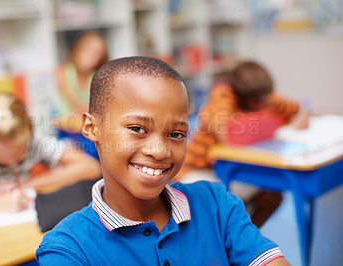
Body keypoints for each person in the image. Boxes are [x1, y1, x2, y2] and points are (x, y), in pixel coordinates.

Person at [36, 56, 290, 265]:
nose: (160, 151)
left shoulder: (216, 204)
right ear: (92, 128)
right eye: (137, 129)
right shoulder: (68, 249)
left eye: (176, 134)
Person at [175, 60, 309, 227]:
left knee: (273, 195)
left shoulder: (263, 96)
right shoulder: (223, 97)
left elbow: (300, 108)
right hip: (200, 169)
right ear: (241, 97)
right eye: (260, 102)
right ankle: (227, 239)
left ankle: (242, 240)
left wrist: (300, 118)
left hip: (235, 170)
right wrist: (269, 122)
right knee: (211, 207)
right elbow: (225, 133)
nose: (267, 104)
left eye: (268, 98)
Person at [0, 92, 101, 216]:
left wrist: (24, 185)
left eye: (19, 153)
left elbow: (90, 167)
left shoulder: (32, 140)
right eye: (3, 156)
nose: (13, 162)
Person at [55, 31, 108, 160]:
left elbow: (97, 107)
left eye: (97, 55)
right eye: (89, 52)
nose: (92, 58)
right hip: (64, 126)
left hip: (84, 125)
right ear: (78, 50)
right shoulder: (64, 71)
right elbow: (78, 104)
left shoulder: (96, 77)